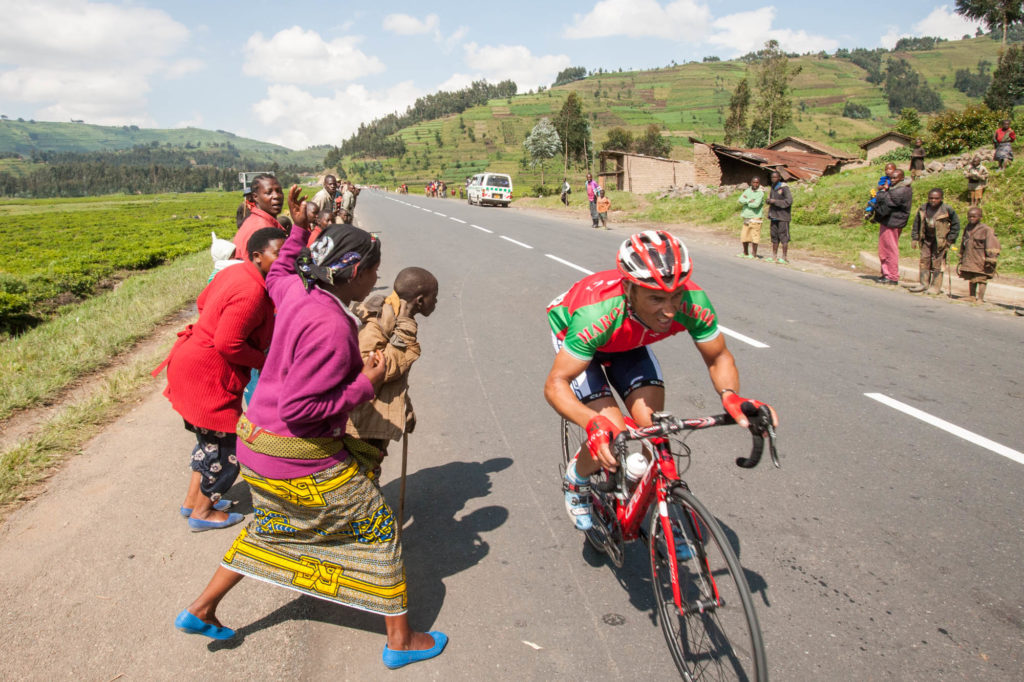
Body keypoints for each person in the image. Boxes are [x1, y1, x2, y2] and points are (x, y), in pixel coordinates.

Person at [174, 186, 447, 670]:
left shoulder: (298, 290)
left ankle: (202, 608)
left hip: (255, 444)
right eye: (374, 271)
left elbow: (279, 268)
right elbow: (305, 411)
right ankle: (401, 641)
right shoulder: (330, 324)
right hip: (292, 453)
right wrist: (367, 382)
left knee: (275, 529)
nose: (377, 279)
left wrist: (298, 227)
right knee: (379, 528)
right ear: (356, 272)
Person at [545, 230, 776, 532]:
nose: (669, 310)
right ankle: (577, 479)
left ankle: (659, 515)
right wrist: (591, 422)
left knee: (655, 431)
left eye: (676, 295)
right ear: (629, 289)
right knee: (612, 434)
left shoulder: (694, 302)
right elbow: (555, 385)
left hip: (628, 343)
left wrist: (730, 395)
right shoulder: (596, 315)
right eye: (655, 298)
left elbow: (718, 357)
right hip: (578, 340)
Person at [155, 227, 285, 532]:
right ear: (257, 256)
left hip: (193, 363)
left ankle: (193, 501)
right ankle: (203, 511)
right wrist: (265, 362)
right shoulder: (253, 292)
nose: (285, 261)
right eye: (278, 254)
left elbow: (203, 302)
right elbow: (229, 344)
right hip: (208, 375)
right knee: (227, 450)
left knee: (208, 443)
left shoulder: (236, 272)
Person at [347, 267, 439, 465]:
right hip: (361, 421)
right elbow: (370, 368)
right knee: (364, 474)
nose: (437, 302)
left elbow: (396, 375)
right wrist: (405, 331)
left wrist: (404, 407)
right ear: (420, 300)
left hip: (372, 416)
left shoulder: (399, 316)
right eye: (435, 296)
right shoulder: (382, 319)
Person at [907, 188, 960, 295]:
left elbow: (956, 225)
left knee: (938, 262)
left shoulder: (947, 210)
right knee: (924, 260)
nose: (933, 200)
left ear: (941, 198)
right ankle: (923, 283)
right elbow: (916, 224)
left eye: (936, 198)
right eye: (931, 198)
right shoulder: (923, 208)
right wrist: (915, 238)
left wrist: (950, 240)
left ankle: (935, 286)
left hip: (940, 240)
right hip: (926, 238)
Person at [874, 168, 913, 285]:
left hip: (893, 223)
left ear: (902, 178)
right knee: (884, 249)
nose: (892, 180)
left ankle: (892, 276)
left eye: (895, 178)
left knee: (889, 249)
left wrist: (881, 192)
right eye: (891, 178)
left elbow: (886, 202)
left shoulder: (901, 191)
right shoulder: (897, 189)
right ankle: (886, 273)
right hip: (890, 222)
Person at [232, 174, 284, 256]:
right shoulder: (263, 229)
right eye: (269, 192)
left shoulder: (257, 220)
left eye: (279, 191)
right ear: (255, 197)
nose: (276, 196)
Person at [958, 207, 1001, 303]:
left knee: (981, 277)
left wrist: (991, 258)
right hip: (970, 257)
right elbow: (963, 242)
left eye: (974, 216)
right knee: (971, 276)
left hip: (981, 258)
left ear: (980, 217)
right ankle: (971, 296)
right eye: (969, 216)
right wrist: (961, 254)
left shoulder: (986, 230)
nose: (971, 218)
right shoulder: (968, 228)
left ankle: (980, 298)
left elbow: (992, 244)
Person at [765, 170, 792, 264]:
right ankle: (774, 256)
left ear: (779, 178)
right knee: (774, 237)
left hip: (783, 216)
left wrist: (774, 201)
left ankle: (784, 257)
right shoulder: (772, 187)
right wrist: (769, 201)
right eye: (772, 177)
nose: (773, 179)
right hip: (774, 216)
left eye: (775, 177)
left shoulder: (784, 188)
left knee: (784, 237)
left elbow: (788, 201)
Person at [737, 177, 765, 259]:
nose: (755, 184)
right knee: (744, 236)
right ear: (751, 182)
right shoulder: (748, 190)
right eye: (754, 182)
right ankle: (745, 253)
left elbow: (756, 205)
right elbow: (740, 199)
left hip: (755, 217)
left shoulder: (760, 193)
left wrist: (746, 202)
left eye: (757, 183)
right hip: (746, 216)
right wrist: (749, 200)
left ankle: (754, 254)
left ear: (759, 183)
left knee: (755, 236)